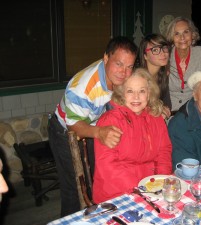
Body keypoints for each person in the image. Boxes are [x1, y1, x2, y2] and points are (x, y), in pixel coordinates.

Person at [48, 36, 137, 216]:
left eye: (129, 67)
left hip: (93, 125)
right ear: (106, 58)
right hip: (65, 130)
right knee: (75, 188)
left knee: (97, 178)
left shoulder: (121, 77)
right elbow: (73, 125)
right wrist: (99, 132)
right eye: (119, 64)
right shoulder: (83, 88)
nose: (124, 72)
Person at [92, 68, 172, 203]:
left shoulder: (156, 118)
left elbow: (164, 152)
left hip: (152, 190)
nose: (136, 97)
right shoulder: (110, 121)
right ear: (122, 94)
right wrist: (141, 190)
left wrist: (161, 181)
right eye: (130, 91)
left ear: (149, 93)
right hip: (117, 194)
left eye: (142, 91)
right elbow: (108, 167)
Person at [164, 17, 201, 113]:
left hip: (194, 110)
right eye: (177, 33)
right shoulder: (165, 55)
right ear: (172, 37)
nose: (182, 38)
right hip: (169, 111)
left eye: (186, 32)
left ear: (192, 34)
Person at [136, 33, 172, 119]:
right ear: (145, 56)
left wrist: (164, 109)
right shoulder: (137, 78)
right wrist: (158, 109)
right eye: (155, 50)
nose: (163, 53)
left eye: (164, 48)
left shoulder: (163, 75)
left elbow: (167, 104)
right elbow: (135, 107)